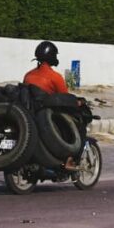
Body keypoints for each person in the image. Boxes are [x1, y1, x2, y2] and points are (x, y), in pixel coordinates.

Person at [23, 40, 77, 171]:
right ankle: (69, 159)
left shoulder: (28, 75)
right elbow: (64, 98)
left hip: (29, 114)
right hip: (47, 117)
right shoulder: (55, 77)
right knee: (72, 122)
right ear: (52, 57)